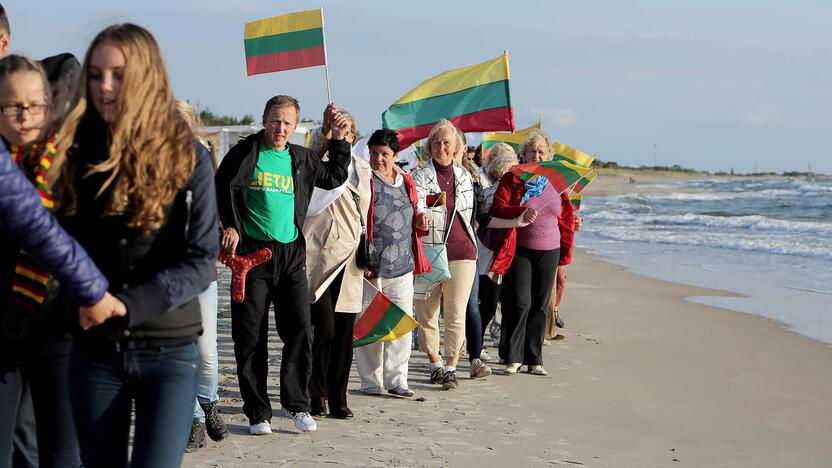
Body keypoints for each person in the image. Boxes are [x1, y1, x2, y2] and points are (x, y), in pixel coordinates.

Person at [53, 24, 218, 468]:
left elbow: (202, 261)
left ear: (146, 76)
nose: (105, 87)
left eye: (118, 75)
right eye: (95, 74)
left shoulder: (188, 154)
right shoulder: (71, 150)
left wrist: (126, 305)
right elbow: (54, 242)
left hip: (169, 350)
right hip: (93, 349)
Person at [0, 64, 122, 468]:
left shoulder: (72, 163)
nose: (24, 116)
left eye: (35, 105)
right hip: (4, 326)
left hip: (62, 324)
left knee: (62, 449)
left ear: (50, 107)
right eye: (12, 106)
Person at [214, 96, 350, 435]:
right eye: (275, 121)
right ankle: (258, 412)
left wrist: (339, 139)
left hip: (290, 256)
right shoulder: (246, 153)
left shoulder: (301, 158)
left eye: (287, 123)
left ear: (296, 126)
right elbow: (221, 186)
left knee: (300, 330)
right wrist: (229, 225)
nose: (281, 128)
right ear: (264, 119)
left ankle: (298, 405)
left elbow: (334, 176)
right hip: (252, 257)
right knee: (250, 336)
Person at [489, 130, 574, 375]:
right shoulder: (513, 178)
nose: (536, 155)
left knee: (539, 305)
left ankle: (534, 359)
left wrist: (575, 223)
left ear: (549, 155)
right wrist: (519, 213)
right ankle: (513, 357)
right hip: (520, 248)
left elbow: (565, 215)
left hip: (550, 250)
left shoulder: (557, 183)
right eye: (531, 151)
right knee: (520, 302)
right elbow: (498, 208)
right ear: (523, 155)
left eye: (541, 151)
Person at [303, 106, 369, 419]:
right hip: (320, 255)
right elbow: (312, 154)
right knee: (324, 329)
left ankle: (339, 398)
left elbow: (368, 213)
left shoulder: (364, 169)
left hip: (352, 258)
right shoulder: (317, 163)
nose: (345, 135)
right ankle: (316, 393)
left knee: (344, 332)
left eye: (348, 131)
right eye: (339, 129)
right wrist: (326, 132)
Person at [354, 129, 430, 398]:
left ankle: (398, 379)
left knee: (401, 322)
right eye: (374, 153)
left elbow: (416, 209)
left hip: (402, 264)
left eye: (384, 154)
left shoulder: (407, 181)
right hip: (370, 266)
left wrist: (421, 218)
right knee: (368, 322)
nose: (378, 159)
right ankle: (370, 381)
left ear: (395, 155)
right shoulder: (364, 180)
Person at [176, 100, 228, 452]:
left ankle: (208, 400)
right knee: (182, 353)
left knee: (207, 353)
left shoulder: (201, 161)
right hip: (167, 278)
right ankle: (194, 417)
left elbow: (210, 214)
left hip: (203, 272)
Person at [413, 119, 478, 390]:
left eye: (447, 142)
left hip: (463, 252)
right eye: (436, 142)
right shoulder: (420, 176)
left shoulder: (465, 176)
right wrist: (421, 216)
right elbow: (418, 203)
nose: (441, 147)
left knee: (455, 312)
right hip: (430, 250)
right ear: (430, 146)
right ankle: (434, 363)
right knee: (426, 312)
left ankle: (451, 366)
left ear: (456, 147)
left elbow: (470, 213)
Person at [546, 215, 583, 341]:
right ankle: (547, 329)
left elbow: (570, 214)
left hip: (561, 240)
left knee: (560, 280)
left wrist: (576, 222)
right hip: (545, 237)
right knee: (549, 283)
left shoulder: (567, 196)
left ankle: (554, 312)